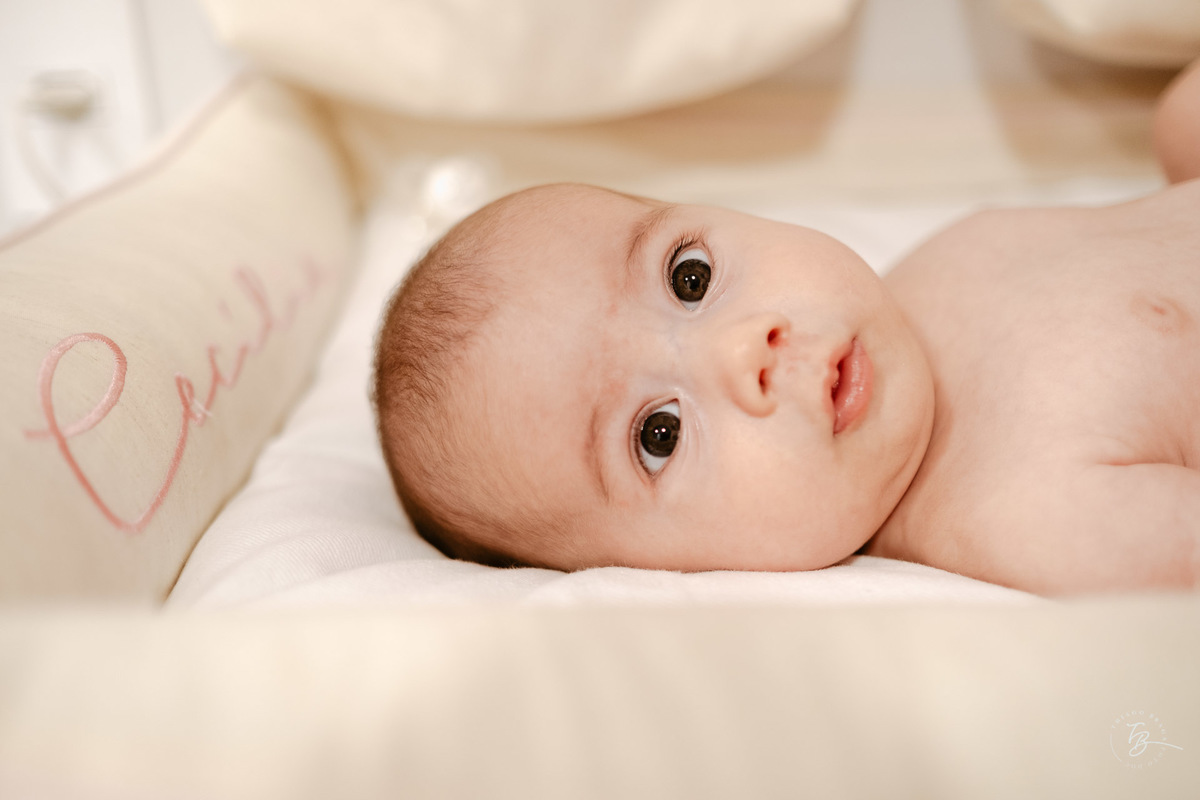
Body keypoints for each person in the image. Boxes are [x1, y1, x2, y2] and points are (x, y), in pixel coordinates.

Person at [373, 60, 1200, 594]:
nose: (746, 350)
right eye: (657, 435)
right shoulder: (1029, 515)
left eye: (687, 278)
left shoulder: (932, 267)